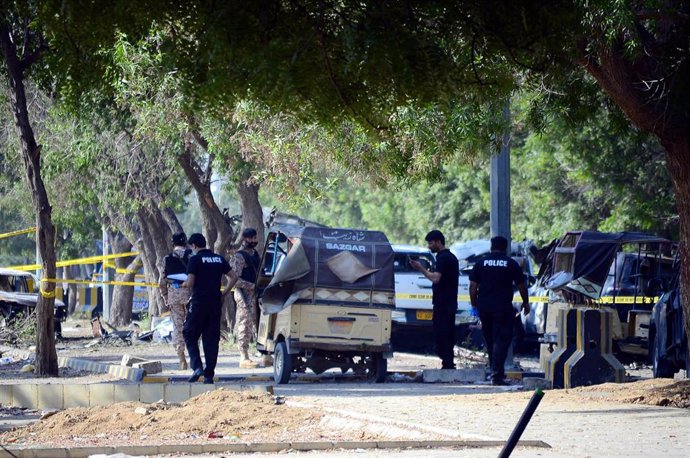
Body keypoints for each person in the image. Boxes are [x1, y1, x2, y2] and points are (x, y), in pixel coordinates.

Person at [469, 236, 530, 386]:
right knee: (502, 340)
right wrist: (525, 302)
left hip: (485, 307)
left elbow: (473, 286)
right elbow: (521, 285)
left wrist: (475, 304)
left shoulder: (481, 263)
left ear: (491, 247)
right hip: (502, 307)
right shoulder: (510, 263)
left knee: (490, 340)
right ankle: (497, 374)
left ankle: (495, 373)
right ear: (505, 248)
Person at [181, 233, 238, 383]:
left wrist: (184, 284)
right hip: (215, 303)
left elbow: (190, 282)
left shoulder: (195, 259)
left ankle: (197, 366)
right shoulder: (219, 259)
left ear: (194, 246)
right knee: (211, 339)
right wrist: (224, 293)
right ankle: (209, 375)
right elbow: (234, 277)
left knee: (189, 333)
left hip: (199, 303)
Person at [410, 230, 459, 369]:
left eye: (431, 243)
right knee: (447, 333)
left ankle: (447, 362)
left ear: (438, 242)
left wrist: (420, 268)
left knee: (442, 333)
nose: (429, 246)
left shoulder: (443, 258)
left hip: (443, 303)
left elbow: (436, 278)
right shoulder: (451, 257)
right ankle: (448, 363)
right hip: (449, 302)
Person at [233, 228, 272, 368]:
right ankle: (244, 356)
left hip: (257, 295)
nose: (254, 241)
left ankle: (265, 354)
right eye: (251, 238)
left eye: (255, 238)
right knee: (244, 323)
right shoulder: (239, 256)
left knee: (260, 323)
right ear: (244, 239)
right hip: (244, 295)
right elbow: (234, 279)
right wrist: (252, 286)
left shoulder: (255, 254)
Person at [159, 232, 193, 370]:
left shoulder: (167, 258)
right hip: (190, 294)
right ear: (185, 242)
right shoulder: (192, 256)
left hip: (174, 294)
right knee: (192, 325)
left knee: (178, 327)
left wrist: (165, 296)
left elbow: (161, 281)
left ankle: (182, 359)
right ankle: (194, 356)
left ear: (173, 243)